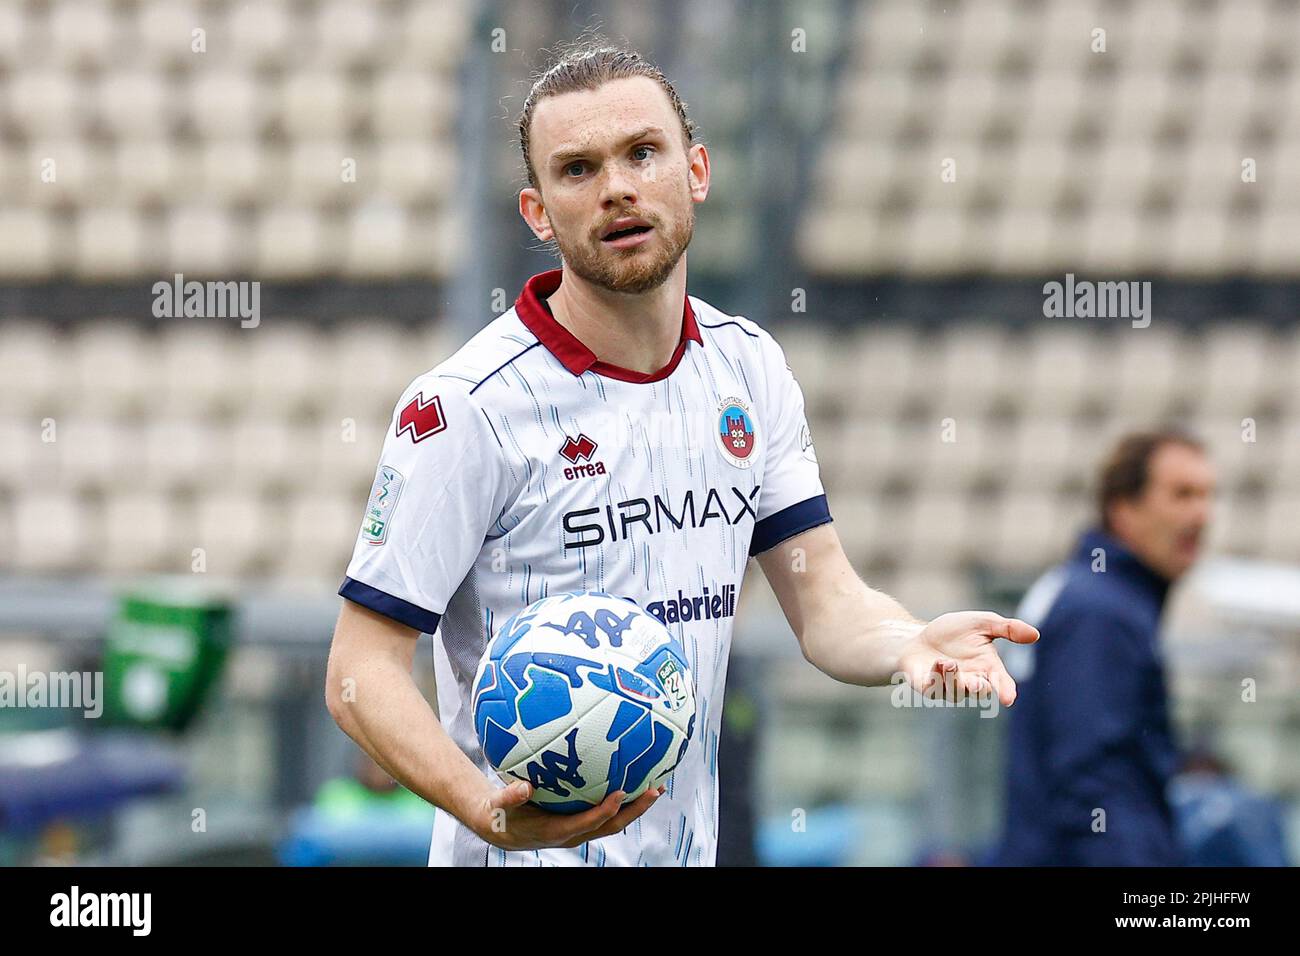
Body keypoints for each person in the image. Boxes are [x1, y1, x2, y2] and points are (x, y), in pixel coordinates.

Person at [325, 38, 1038, 867]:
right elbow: (360, 669)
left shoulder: (749, 366)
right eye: (578, 169)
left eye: (642, 153)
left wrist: (907, 642)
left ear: (695, 170)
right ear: (538, 212)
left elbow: (829, 604)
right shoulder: (465, 408)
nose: (618, 187)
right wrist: (482, 807)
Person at [995, 430, 1215, 865]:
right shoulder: (1101, 612)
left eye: (1207, 496)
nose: (1202, 514)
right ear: (1123, 509)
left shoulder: (1087, 593)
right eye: (1182, 495)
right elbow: (1094, 780)